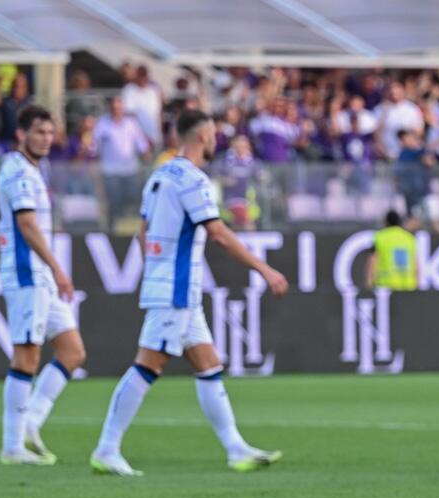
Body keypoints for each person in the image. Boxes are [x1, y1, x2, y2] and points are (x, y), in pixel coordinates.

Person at [89, 110, 289, 477]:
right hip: (176, 289)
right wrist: (264, 268)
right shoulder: (194, 180)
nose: (216, 141)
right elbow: (218, 233)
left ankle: (235, 448)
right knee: (148, 365)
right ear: (201, 137)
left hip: (175, 287)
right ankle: (106, 448)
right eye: (213, 134)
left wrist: (157, 270)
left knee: (209, 365)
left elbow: (142, 233)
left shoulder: (160, 175)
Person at [0, 105, 87, 466]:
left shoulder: (35, 169)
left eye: (51, 133)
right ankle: (12, 445)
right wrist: (58, 268)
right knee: (27, 357)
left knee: (72, 351)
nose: (46, 139)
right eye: (39, 132)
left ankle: (30, 423)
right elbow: (27, 225)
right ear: (21, 134)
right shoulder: (17, 170)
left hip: (41, 276)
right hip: (26, 273)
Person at [364, 210, 417, 291]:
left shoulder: (380, 237)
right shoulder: (409, 238)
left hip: (385, 286)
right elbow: (415, 262)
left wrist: (369, 281)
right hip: (407, 286)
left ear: (386, 222)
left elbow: (373, 259)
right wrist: (416, 283)